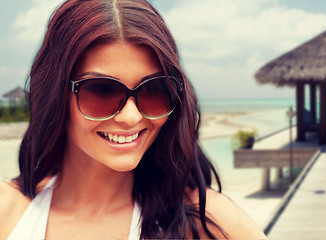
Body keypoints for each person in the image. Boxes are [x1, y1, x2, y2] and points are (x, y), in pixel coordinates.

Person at [0, 0, 267, 239]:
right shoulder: (7, 212)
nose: (131, 117)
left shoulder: (206, 222)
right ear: (55, 94)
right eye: (102, 90)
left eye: (154, 90)